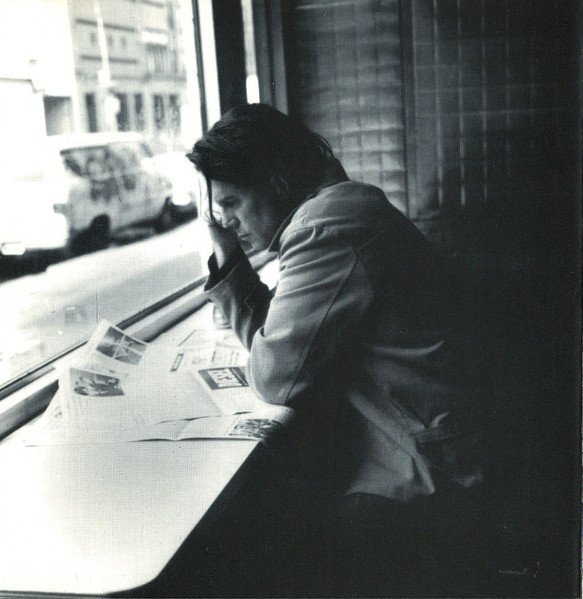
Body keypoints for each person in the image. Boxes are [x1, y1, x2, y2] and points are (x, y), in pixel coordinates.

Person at [187, 103, 489, 596]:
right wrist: (230, 255)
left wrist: (232, 262)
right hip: (421, 437)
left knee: (254, 553)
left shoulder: (325, 227)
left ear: (279, 182)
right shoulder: (342, 209)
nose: (228, 220)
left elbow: (276, 378)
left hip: (427, 467)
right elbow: (285, 341)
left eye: (234, 202)